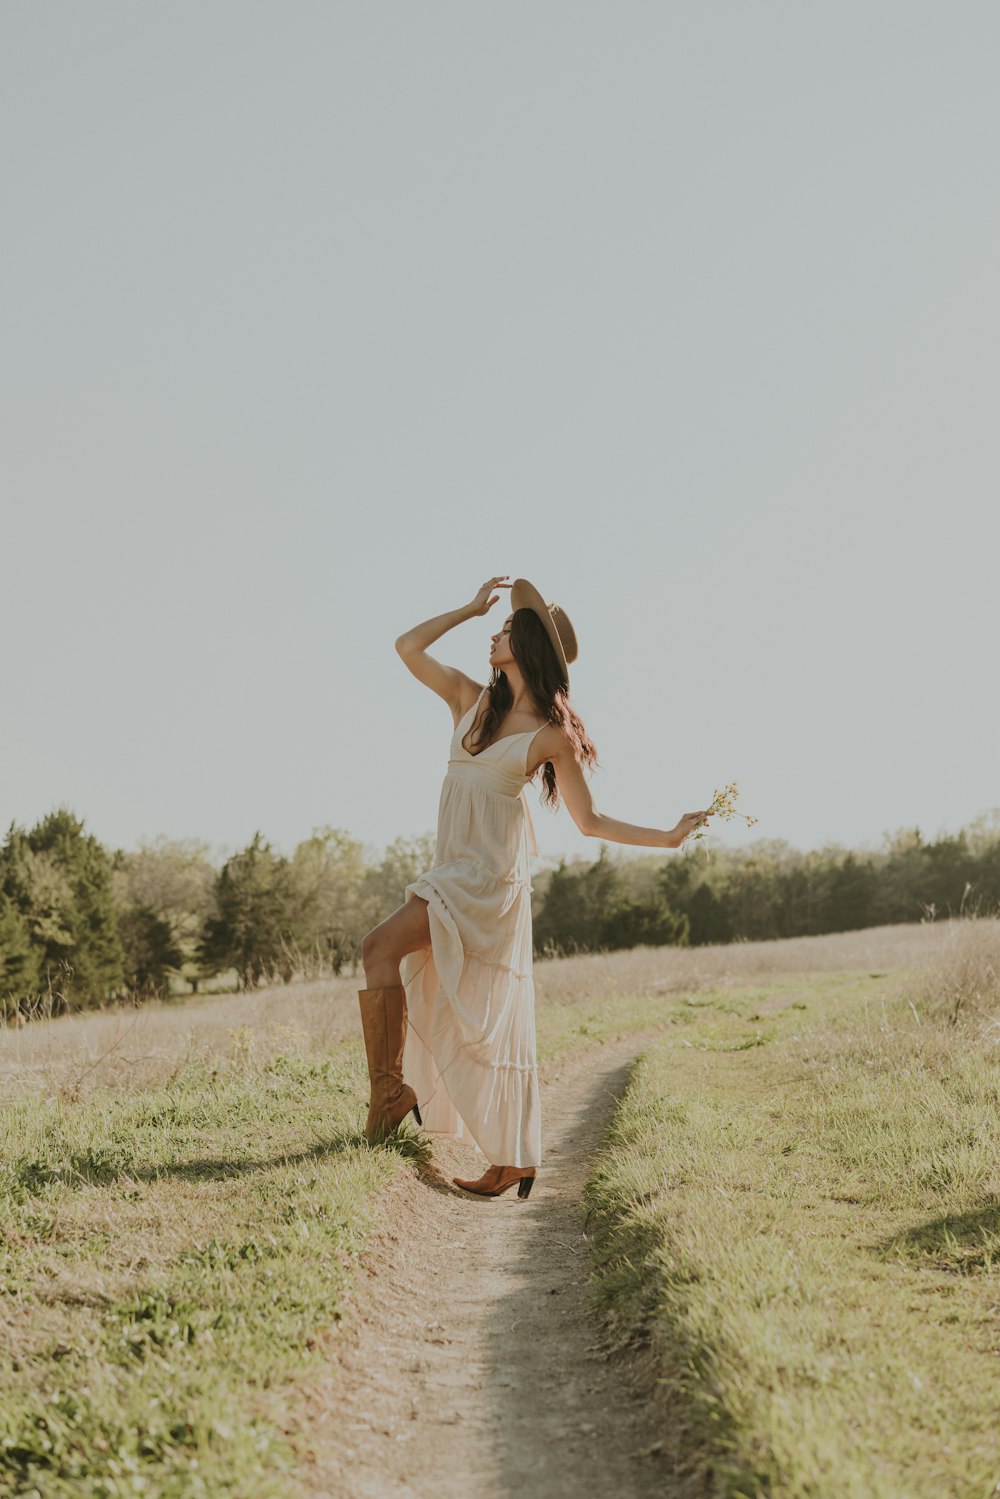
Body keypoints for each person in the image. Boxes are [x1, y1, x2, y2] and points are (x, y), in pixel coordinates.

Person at [358, 576, 711, 1199]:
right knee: (387, 956)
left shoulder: (547, 736)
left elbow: (591, 821)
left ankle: (407, 1107)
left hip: (486, 884)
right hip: (451, 873)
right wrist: (467, 608)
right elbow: (406, 646)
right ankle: (403, 1103)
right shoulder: (469, 700)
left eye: (501, 627)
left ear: (525, 645)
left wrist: (668, 836)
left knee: (384, 951)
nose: (491, 632)